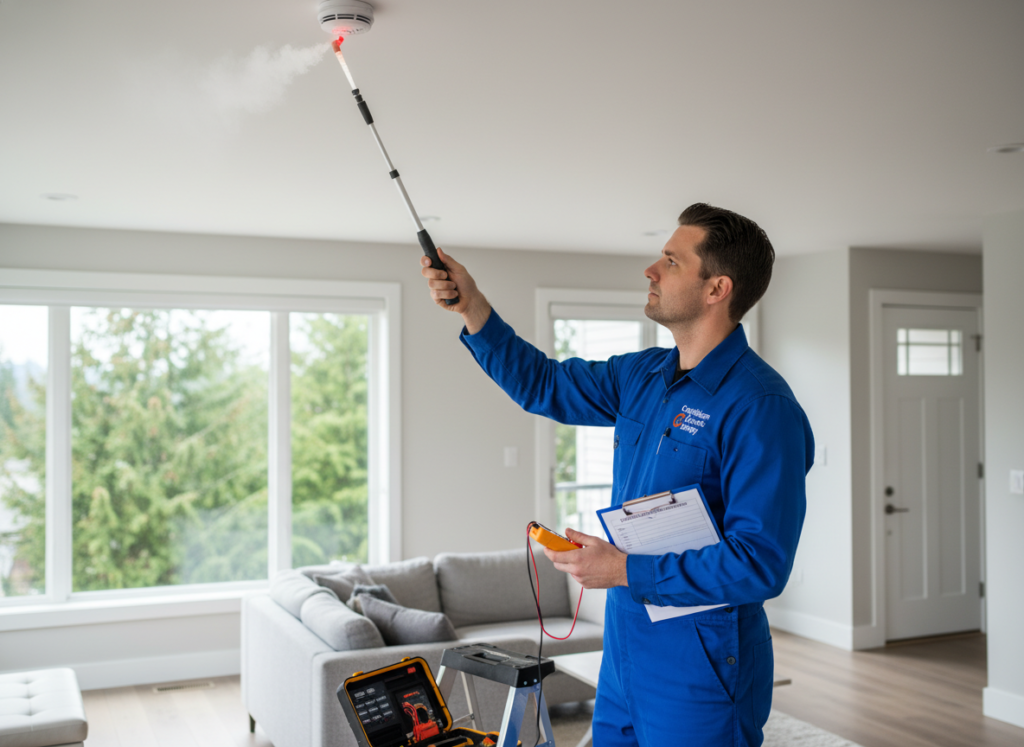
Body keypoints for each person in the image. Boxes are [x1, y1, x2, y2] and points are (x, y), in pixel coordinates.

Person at [420, 203, 814, 747]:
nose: (651, 271)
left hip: (702, 657)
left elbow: (759, 563)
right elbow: (544, 385)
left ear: (716, 288)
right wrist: (473, 306)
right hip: (626, 645)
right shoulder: (642, 374)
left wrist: (625, 569)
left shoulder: (761, 406)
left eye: (671, 262)